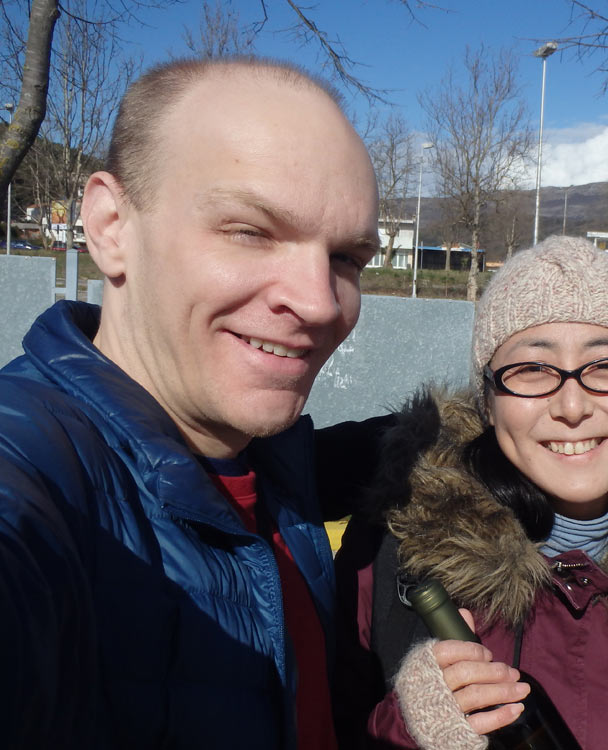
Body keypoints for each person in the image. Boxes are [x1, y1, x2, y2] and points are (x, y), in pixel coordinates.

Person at [0, 58, 379, 748]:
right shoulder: (36, 472)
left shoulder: (272, 470)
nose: (321, 302)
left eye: (348, 258)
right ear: (111, 225)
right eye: (250, 231)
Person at [331, 235, 608, 749]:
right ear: (488, 399)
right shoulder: (393, 561)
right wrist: (405, 730)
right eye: (531, 370)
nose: (572, 407)